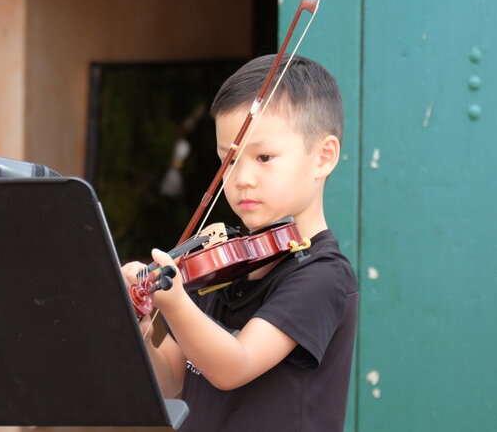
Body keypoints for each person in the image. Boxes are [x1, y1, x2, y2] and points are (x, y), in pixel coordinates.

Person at [122, 54, 358, 432]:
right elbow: (170, 382)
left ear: (323, 157)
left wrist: (173, 300)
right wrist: (138, 326)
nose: (242, 178)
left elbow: (235, 366)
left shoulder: (322, 275)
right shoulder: (220, 267)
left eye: (263, 157)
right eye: (228, 161)